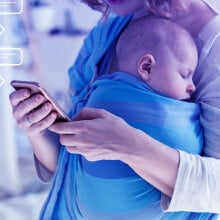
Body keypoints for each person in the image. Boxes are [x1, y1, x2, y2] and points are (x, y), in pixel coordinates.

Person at [9, 0, 220, 219]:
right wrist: (39, 130)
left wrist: (129, 146)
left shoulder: (214, 48)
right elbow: (71, 168)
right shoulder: (104, 37)